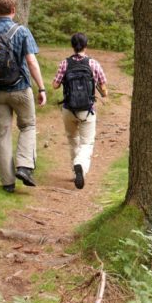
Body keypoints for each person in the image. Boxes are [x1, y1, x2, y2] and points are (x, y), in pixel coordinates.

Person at [0, 0, 47, 194]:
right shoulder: (22, 31)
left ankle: (7, 182)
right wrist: (41, 87)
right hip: (20, 89)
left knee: (2, 134)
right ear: (13, 10)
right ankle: (24, 167)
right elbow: (31, 62)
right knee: (28, 126)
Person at [52, 32, 107, 190]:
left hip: (68, 109)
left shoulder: (65, 63)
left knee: (72, 139)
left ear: (72, 46)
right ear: (86, 45)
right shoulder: (93, 64)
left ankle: (75, 169)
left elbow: (55, 85)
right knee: (87, 142)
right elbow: (104, 90)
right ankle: (80, 165)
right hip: (87, 110)